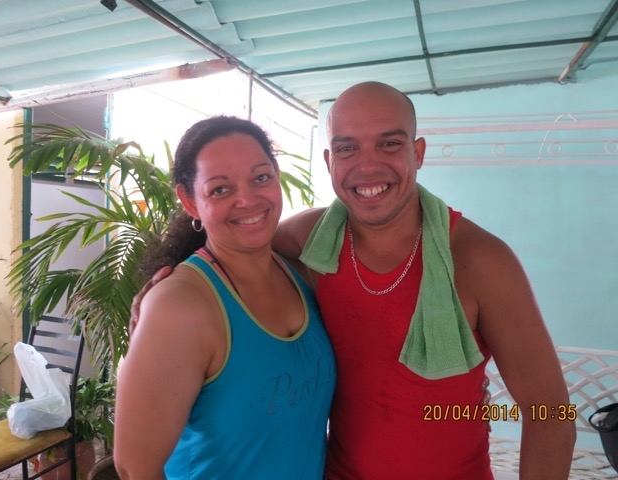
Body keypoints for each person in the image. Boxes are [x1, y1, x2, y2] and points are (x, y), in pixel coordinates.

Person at [132, 82, 576, 479]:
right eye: (347, 148)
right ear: (329, 161)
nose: (368, 166)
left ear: (418, 153)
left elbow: (552, 412)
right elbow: (231, 248)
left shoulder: (480, 261)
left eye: (389, 143)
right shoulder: (308, 241)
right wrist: (162, 295)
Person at [114, 116, 336, 480]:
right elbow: (134, 467)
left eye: (260, 178)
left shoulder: (300, 271)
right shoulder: (180, 306)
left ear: (276, 176)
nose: (247, 200)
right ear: (190, 201)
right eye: (220, 189)